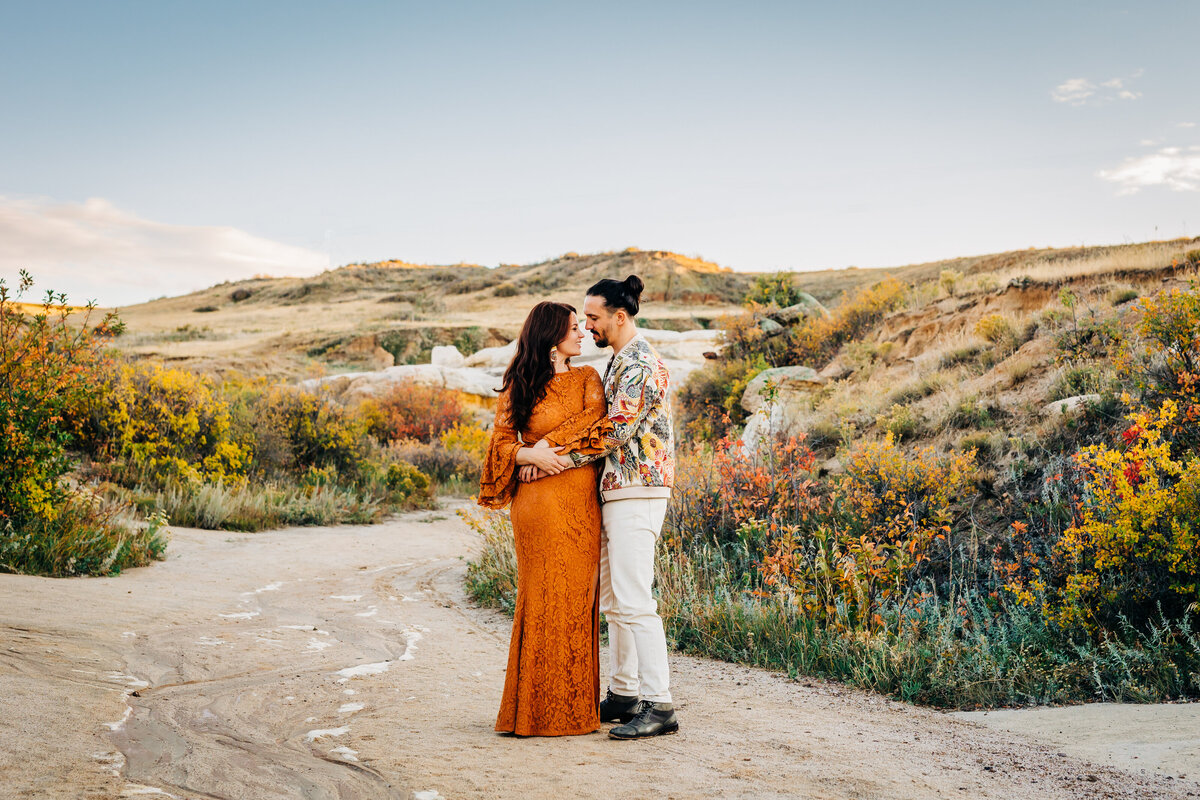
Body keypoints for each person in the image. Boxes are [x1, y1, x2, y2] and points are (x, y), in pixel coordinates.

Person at [522, 275, 679, 740]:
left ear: (619, 316)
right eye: (583, 318)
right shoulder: (618, 362)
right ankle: (625, 693)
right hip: (615, 490)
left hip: (638, 490)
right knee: (614, 600)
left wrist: (552, 458)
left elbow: (613, 432)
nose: (586, 325)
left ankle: (660, 704)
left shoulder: (640, 365)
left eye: (591, 317)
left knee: (635, 599)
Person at [478, 300, 613, 737]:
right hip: (537, 505)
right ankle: (531, 713)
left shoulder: (589, 378)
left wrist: (546, 449)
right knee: (541, 598)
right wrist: (525, 453)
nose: (582, 334)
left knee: (577, 600)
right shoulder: (520, 382)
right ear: (552, 335)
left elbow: (596, 423)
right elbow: (499, 443)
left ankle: (573, 712)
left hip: (579, 503)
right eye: (574, 328)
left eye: (582, 326)